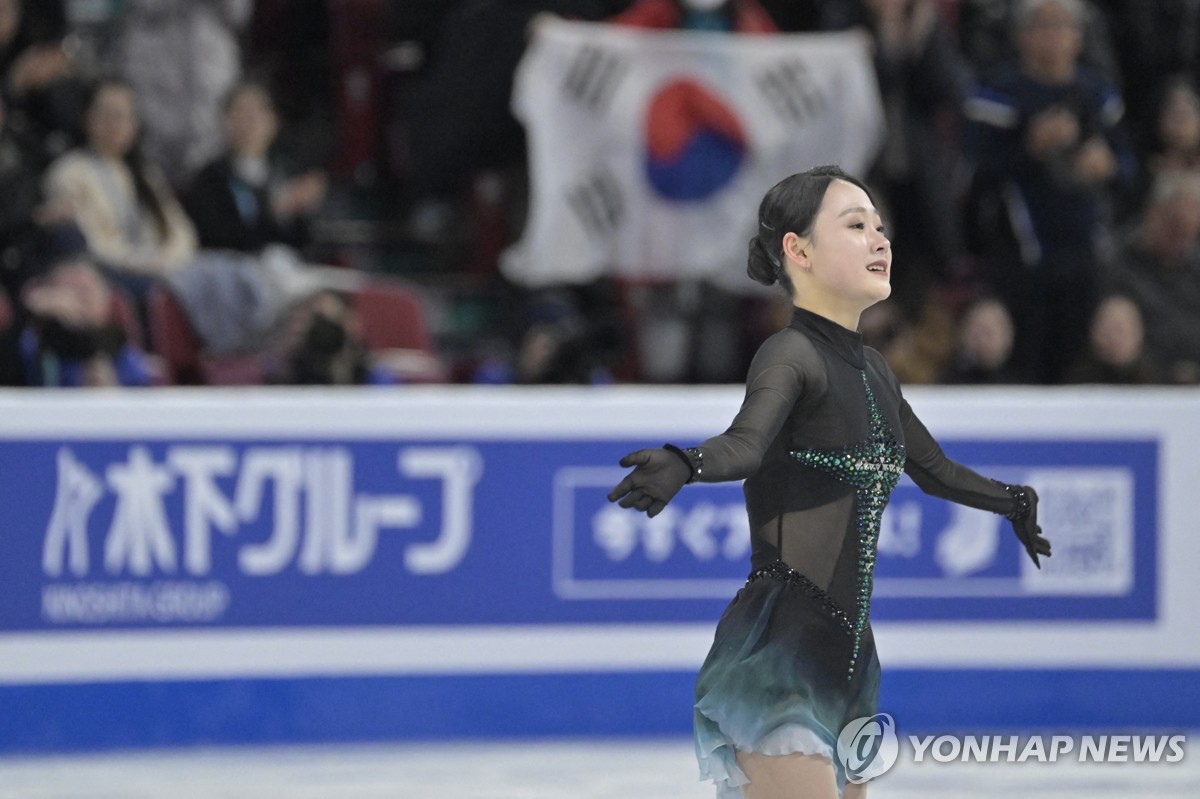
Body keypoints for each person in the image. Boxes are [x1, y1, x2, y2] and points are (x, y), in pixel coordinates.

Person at [606, 166, 1051, 799]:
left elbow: (934, 470)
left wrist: (1013, 501)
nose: (879, 238)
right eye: (855, 225)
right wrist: (686, 462)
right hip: (779, 649)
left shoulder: (875, 370)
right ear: (799, 250)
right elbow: (746, 443)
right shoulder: (790, 356)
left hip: (850, 660)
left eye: (879, 225)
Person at [41, 78, 197, 303]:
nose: (115, 123)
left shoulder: (146, 174)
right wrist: (147, 265)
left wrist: (168, 262)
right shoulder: (68, 172)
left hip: (164, 269)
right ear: (87, 118)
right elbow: (90, 247)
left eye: (124, 115)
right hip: (113, 275)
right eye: (106, 113)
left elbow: (181, 232)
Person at [183, 80, 327, 254]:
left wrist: (304, 211)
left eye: (257, 112)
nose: (249, 122)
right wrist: (275, 211)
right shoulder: (209, 179)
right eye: (240, 113)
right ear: (225, 122)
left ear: (273, 122)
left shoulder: (287, 173)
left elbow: (305, 243)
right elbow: (218, 240)